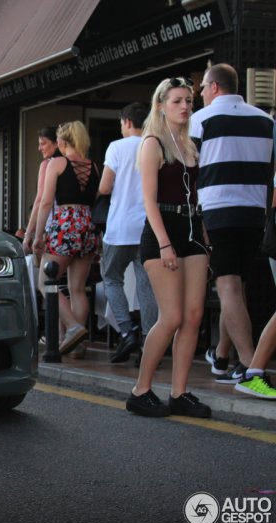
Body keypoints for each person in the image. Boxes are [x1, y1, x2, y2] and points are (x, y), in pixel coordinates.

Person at [126, 76, 211, 418]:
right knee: (172, 316)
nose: (185, 106)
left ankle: (179, 393)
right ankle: (140, 390)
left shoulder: (191, 144)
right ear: (160, 105)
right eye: (177, 101)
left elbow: (197, 197)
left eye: (188, 100)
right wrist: (164, 244)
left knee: (193, 316)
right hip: (161, 231)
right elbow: (148, 200)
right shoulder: (151, 143)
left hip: (192, 230)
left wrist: (203, 236)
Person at [190, 64, 275, 385]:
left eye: (201, 89)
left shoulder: (200, 120)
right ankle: (221, 355)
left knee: (227, 286)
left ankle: (250, 365)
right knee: (237, 285)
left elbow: (190, 170)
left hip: (217, 211)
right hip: (254, 211)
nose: (198, 95)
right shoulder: (266, 120)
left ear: (213, 87)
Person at [32, 121, 99, 356]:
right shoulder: (94, 167)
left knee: (45, 283)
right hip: (87, 226)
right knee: (77, 288)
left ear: (61, 141)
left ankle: (72, 328)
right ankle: (78, 346)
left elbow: (46, 202)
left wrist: (38, 235)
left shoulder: (58, 163)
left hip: (65, 224)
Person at [98, 102, 158, 364]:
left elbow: (104, 187)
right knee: (147, 286)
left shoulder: (117, 147)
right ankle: (149, 343)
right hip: (148, 226)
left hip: (120, 227)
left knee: (111, 277)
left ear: (126, 122)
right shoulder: (154, 145)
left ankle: (125, 331)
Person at [22, 126, 62, 256]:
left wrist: (29, 234)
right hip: (76, 227)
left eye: (43, 143)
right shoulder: (74, 163)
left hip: (53, 228)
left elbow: (41, 200)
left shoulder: (48, 164)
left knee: (46, 274)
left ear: (56, 143)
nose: (39, 148)